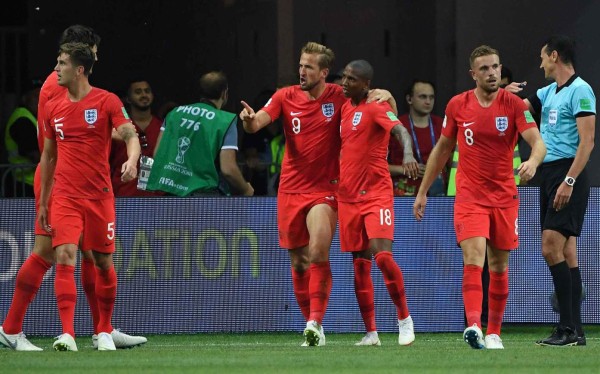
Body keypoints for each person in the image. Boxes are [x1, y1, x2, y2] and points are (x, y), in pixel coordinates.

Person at [240, 41, 407, 347]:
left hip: (326, 189)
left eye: (309, 67)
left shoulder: (339, 94)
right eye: (301, 65)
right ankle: (311, 324)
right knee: (298, 262)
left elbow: (381, 115)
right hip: (290, 188)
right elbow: (258, 123)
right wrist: (250, 121)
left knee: (318, 252)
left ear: (324, 72)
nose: (302, 71)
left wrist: (389, 96)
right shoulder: (285, 96)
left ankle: (316, 322)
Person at [0, 25, 146, 352]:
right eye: (96, 51)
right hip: (57, 175)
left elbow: (86, 127)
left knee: (92, 256)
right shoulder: (56, 87)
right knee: (48, 253)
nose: (98, 57)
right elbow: (60, 140)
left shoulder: (95, 96)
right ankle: (12, 328)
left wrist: (113, 134)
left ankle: (101, 330)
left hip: (81, 178)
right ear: (85, 53)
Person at [413, 45, 546, 350]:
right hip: (470, 196)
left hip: (504, 197)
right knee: (473, 258)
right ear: (473, 74)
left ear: (501, 70)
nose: (491, 73)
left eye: (495, 67)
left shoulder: (513, 105)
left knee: (499, 266)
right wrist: (423, 191)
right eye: (484, 69)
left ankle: (495, 332)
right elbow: (442, 150)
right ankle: (474, 325)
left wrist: (533, 162)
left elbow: (538, 143)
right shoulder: (458, 105)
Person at [36, 42, 141, 351]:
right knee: (64, 256)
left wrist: (132, 160)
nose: (56, 69)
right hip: (65, 196)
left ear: (78, 69)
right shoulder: (54, 108)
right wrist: (44, 202)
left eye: (61, 63)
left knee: (103, 263)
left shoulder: (106, 101)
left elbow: (130, 134)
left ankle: (104, 331)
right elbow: (48, 156)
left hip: (99, 197)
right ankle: (67, 333)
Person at [523, 35, 595, 347]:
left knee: (549, 247)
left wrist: (569, 180)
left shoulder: (581, 89)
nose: (540, 64)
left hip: (569, 174)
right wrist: (502, 94)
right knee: (566, 252)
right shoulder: (547, 91)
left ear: (554, 56)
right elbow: (517, 109)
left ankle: (565, 328)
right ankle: (575, 330)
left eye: (542, 57)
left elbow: (587, 142)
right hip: (549, 172)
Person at [339, 60, 417, 347]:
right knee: (359, 265)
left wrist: (407, 154)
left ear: (366, 84)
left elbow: (401, 131)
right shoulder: (345, 108)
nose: (345, 83)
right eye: (344, 77)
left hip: (375, 194)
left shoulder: (376, 106)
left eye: (351, 79)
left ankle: (404, 319)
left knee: (382, 257)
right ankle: (371, 333)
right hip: (348, 197)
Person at [146, 71, 253, 197]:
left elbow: (158, 153)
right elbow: (228, 169)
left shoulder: (174, 113)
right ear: (224, 93)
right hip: (204, 198)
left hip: (172, 194)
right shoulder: (226, 121)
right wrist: (246, 189)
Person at [388, 80, 446, 196]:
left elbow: (453, 162)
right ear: (409, 99)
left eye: (431, 97)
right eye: (423, 97)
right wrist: (404, 169)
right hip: (403, 195)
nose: (428, 102)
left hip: (437, 195)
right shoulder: (395, 127)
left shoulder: (443, 125)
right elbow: (376, 166)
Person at [109, 78, 164, 196]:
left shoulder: (162, 127)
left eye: (147, 91)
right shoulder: (118, 129)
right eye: (138, 92)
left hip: (157, 197)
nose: (144, 95)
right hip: (123, 195)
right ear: (128, 99)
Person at [3, 80, 42, 197]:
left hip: (30, 183)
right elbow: (35, 155)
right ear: (25, 99)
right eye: (35, 96)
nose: (39, 101)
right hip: (25, 184)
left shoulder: (32, 119)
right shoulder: (22, 119)